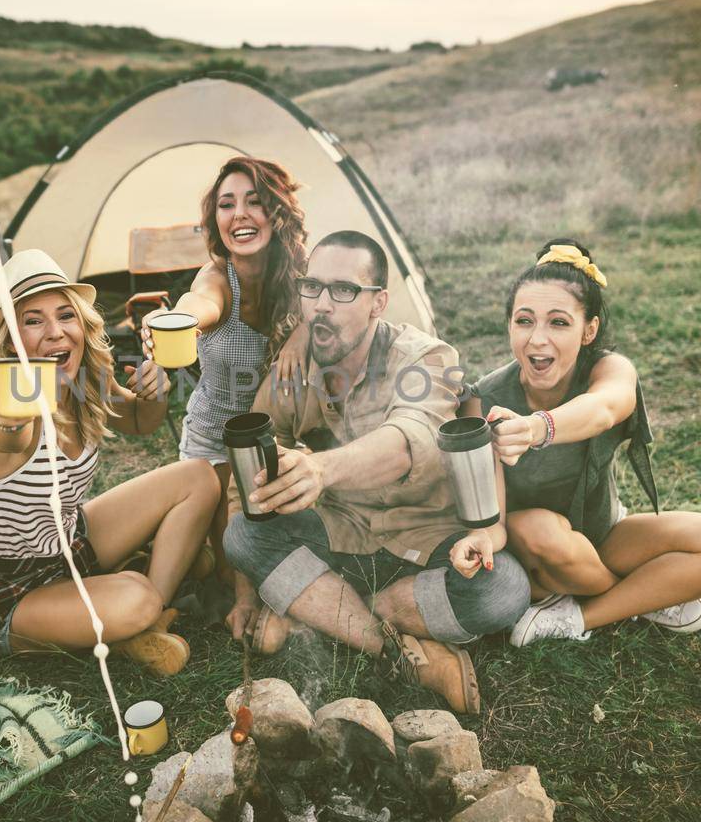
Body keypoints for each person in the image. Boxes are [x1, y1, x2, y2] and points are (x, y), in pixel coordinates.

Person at [221, 231, 532, 714]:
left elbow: (412, 436)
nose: (322, 305)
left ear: (378, 303)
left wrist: (321, 468)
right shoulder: (292, 368)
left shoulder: (426, 358)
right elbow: (243, 484)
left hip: (424, 544)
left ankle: (322, 611)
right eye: (312, 288)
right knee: (243, 536)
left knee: (503, 590)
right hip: (339, 535)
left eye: (343, 290)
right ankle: (395, 648)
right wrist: (244, 595)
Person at [0, 249, 221, 675]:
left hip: (68, 542)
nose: (56, 333)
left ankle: (151, 620)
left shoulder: (85, 381)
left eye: (65, 315)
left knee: (199, 477)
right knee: (136, 595)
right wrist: (8, 418)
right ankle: (137, 602)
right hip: (11, 592)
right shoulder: (5, 409)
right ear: (12, 339)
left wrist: (155, 391)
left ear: (83, 323)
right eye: (33, 320)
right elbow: (5, 438)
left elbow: (143, 422)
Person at [468, 239, 701, 647]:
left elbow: (606, 408)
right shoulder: (483, 399)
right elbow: (486, 518)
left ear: (589, 330)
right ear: (509, 326)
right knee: (539, 528)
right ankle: (646, 596)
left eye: (558, 322)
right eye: (524, 321)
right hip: (533, 558)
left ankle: (580, 615)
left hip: (602, 535)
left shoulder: (609, 368)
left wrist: (537, 428)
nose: (537, 340)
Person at [140, 156, 308, 640]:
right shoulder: (216, 278)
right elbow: (200, 304)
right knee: (231, 558)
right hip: (213, 444)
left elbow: (340, 313)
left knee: (269, 542)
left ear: (277, 212)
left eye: (254, 202)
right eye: (226, 204)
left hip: (278, 440)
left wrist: (301, 334)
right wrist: (177, 323)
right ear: (215, 218)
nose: (239, 215)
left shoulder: (303, 275)